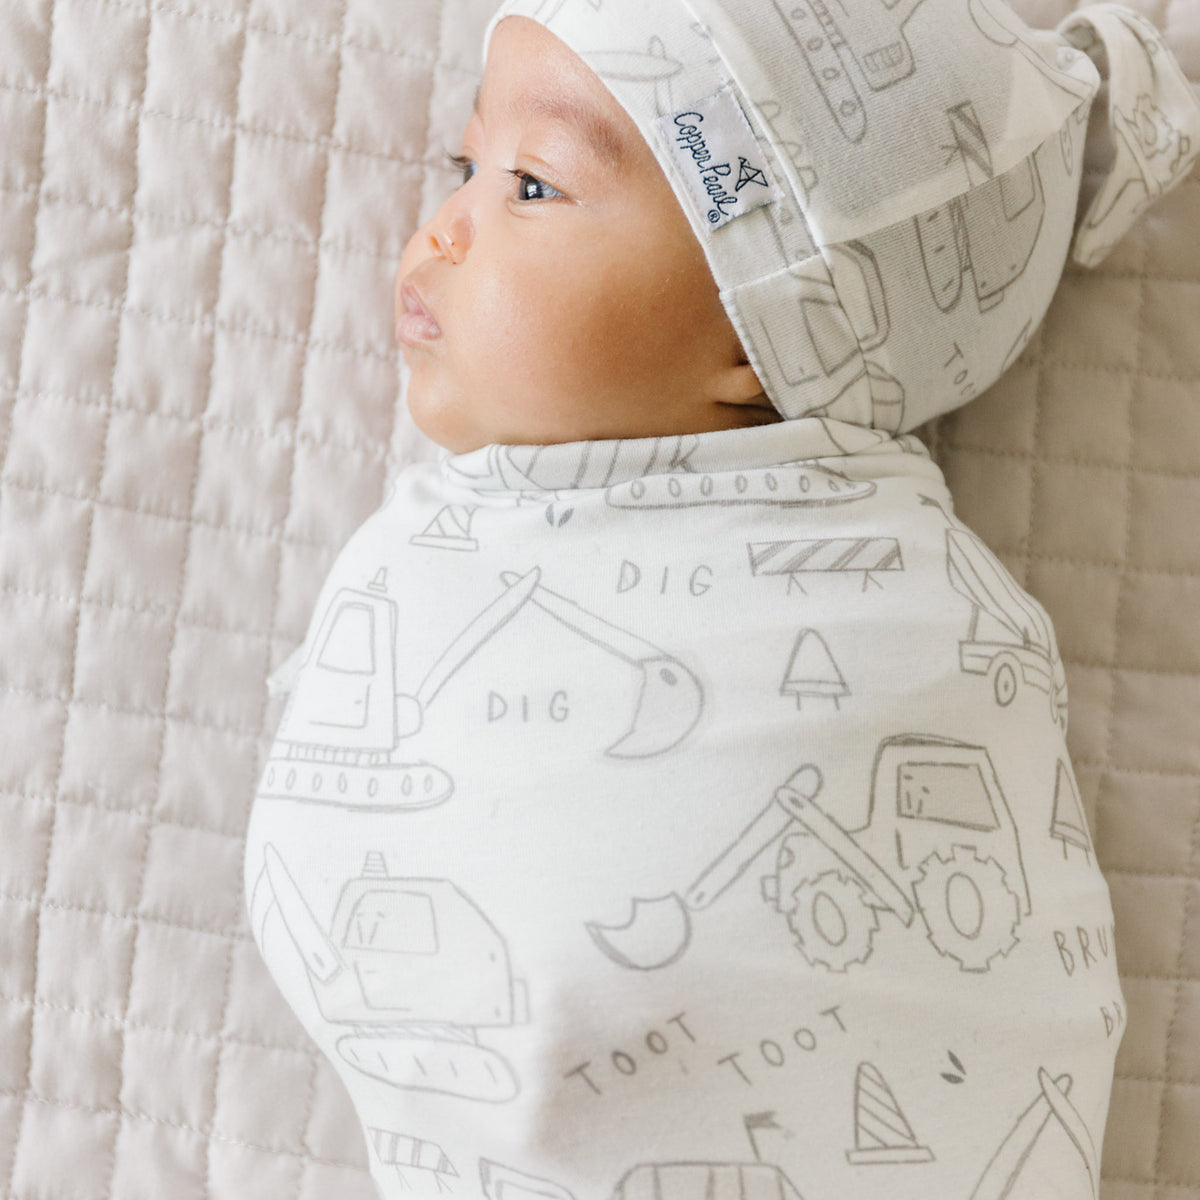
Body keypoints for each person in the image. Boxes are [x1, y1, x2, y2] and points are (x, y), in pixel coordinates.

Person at [243, 2, 1200, 1198]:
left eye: (533, 186)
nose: (443, 228)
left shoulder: (896, 612)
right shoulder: (459, 541)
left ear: (764, 330)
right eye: (464, 163)